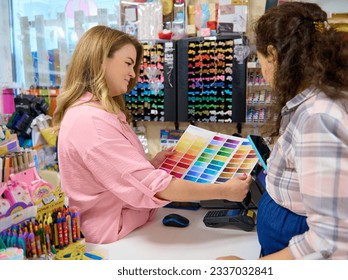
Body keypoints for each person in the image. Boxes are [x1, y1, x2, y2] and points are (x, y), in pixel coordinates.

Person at [218, 2, 348, 260]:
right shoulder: (333, 95)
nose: (262, 70)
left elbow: (330, 243)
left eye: (260, 59)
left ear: (273, 55)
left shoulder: (319, 118)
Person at [52, 25, 251, 244]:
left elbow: (114, 173)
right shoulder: (91, 121)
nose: (132, 73)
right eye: (128, 63)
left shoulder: (101, 111)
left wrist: (151, 165)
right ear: (100, 59)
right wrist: (224, 190)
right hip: (112, 236)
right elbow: (158, 187)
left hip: (129, 224)